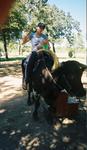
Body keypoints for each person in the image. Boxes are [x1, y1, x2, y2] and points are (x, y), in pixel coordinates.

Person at [22, 22, 49, 89]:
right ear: (37, 27)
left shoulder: (44, 36)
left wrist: (44, 45)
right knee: (28, 63)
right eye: (40, 27)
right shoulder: (32, 35)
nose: (41, 29)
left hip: (43, 52)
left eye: (42, 28)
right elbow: (23, 42)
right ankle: (26, 80)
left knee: (51, 60)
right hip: (34, 53)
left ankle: (52, 80)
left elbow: (47, 46)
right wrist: (25, 37)